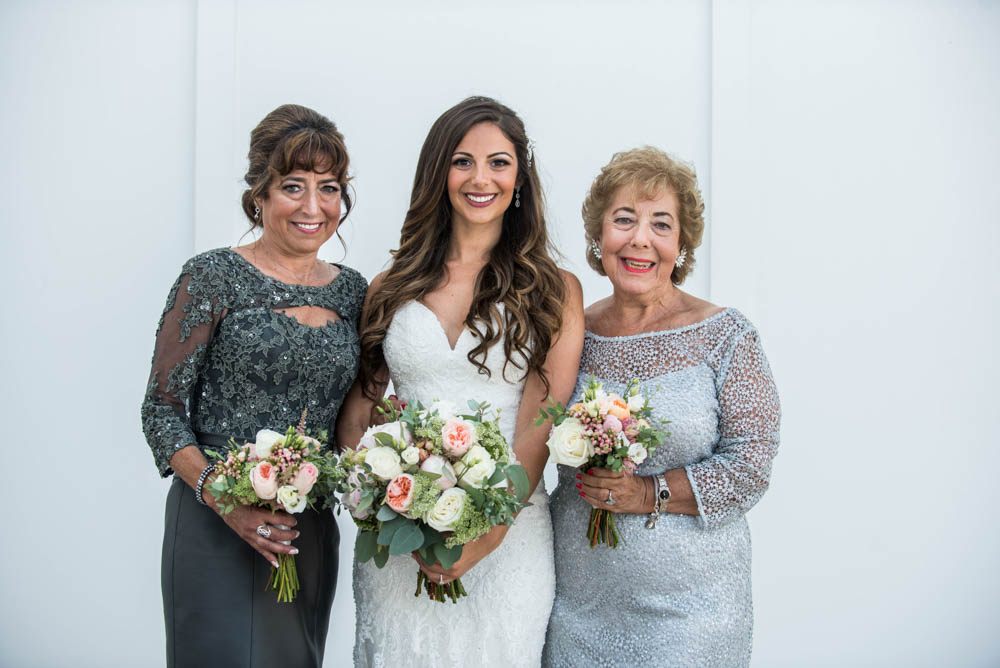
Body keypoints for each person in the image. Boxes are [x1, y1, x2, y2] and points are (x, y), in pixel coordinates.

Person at [336, 96, 584, 667]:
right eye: (462, 161)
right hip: (399, 537)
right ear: (438, 173)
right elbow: (360, 413)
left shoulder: (554, 289)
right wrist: (381, 510)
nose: (480, 179)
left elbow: (539, 423)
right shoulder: (389, 287)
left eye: (499, 162)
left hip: (508, 536)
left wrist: (487, 534)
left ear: (519, 179)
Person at [140, 104, 367, 668]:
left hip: (306, 526)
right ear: (259, 194)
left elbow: (356, 415)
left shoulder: (355, 293)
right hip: (213, 519)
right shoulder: (211, 277)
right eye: (293, 186)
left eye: (329, 188)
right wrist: (226, 499)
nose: (313, 207)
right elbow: (161, 409)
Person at [544, 147, 781, 667]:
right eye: (624, 219)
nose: (640, 239)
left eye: (661, 224)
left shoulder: (727, 336)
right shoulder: (570, 332)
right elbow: (530, 424)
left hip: (690, 614)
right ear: (599, 235)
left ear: (682, 243)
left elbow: (751, 465)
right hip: (577, 606)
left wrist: (648, 493)